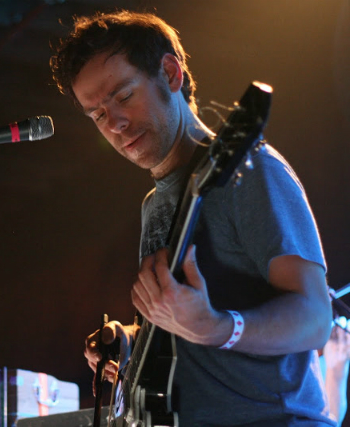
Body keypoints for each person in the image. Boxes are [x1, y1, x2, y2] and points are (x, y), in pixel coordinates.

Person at [50, 10, 334, 426]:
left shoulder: (250, 171)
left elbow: (315, 319)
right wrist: (133, 342)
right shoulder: (153, 204)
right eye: (98, 115)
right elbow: (186, 332)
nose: (116, 123)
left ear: (170, 73)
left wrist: (217, 328)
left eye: (124, 96)